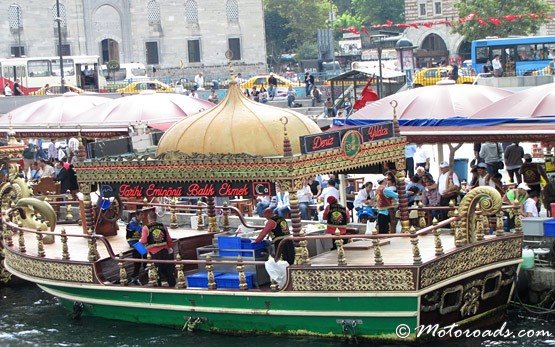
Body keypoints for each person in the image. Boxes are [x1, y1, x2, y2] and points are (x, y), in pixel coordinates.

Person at [140, 210, 176, 287]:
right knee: (168, 270)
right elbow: (169, 239)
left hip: (154, 253)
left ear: (148, 218)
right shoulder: (163, 225)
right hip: (165, 251)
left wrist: (140, 241)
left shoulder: (146, 228)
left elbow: (143, 241)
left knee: (156, 271)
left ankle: (158, 287)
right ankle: (173, 285)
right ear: (156, 218)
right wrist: (170, 248)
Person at [126, 207, 146, 284]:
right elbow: (140, 230)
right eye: (141, 215)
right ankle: (146, 267)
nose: (142, 216)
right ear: (137, 215)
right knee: (144, 251)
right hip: (132, 241)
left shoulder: (139, 223)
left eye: (143, 215)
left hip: (138, 241)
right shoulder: (131, 224)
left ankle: (136, 275)